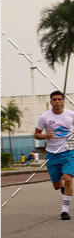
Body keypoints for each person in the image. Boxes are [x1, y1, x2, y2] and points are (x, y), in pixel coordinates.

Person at [34, 90, 74, 219]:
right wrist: (45, 135)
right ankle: (61, 186)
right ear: (51, 101)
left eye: (59, 99)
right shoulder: (44, 117)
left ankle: (65, 210)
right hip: (52, 154)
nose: (57, 101)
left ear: (63, 101)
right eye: (54, 99)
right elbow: (36, 134)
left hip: (69, 152)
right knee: (57, 186)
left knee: (68, 179)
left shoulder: (71, 115)